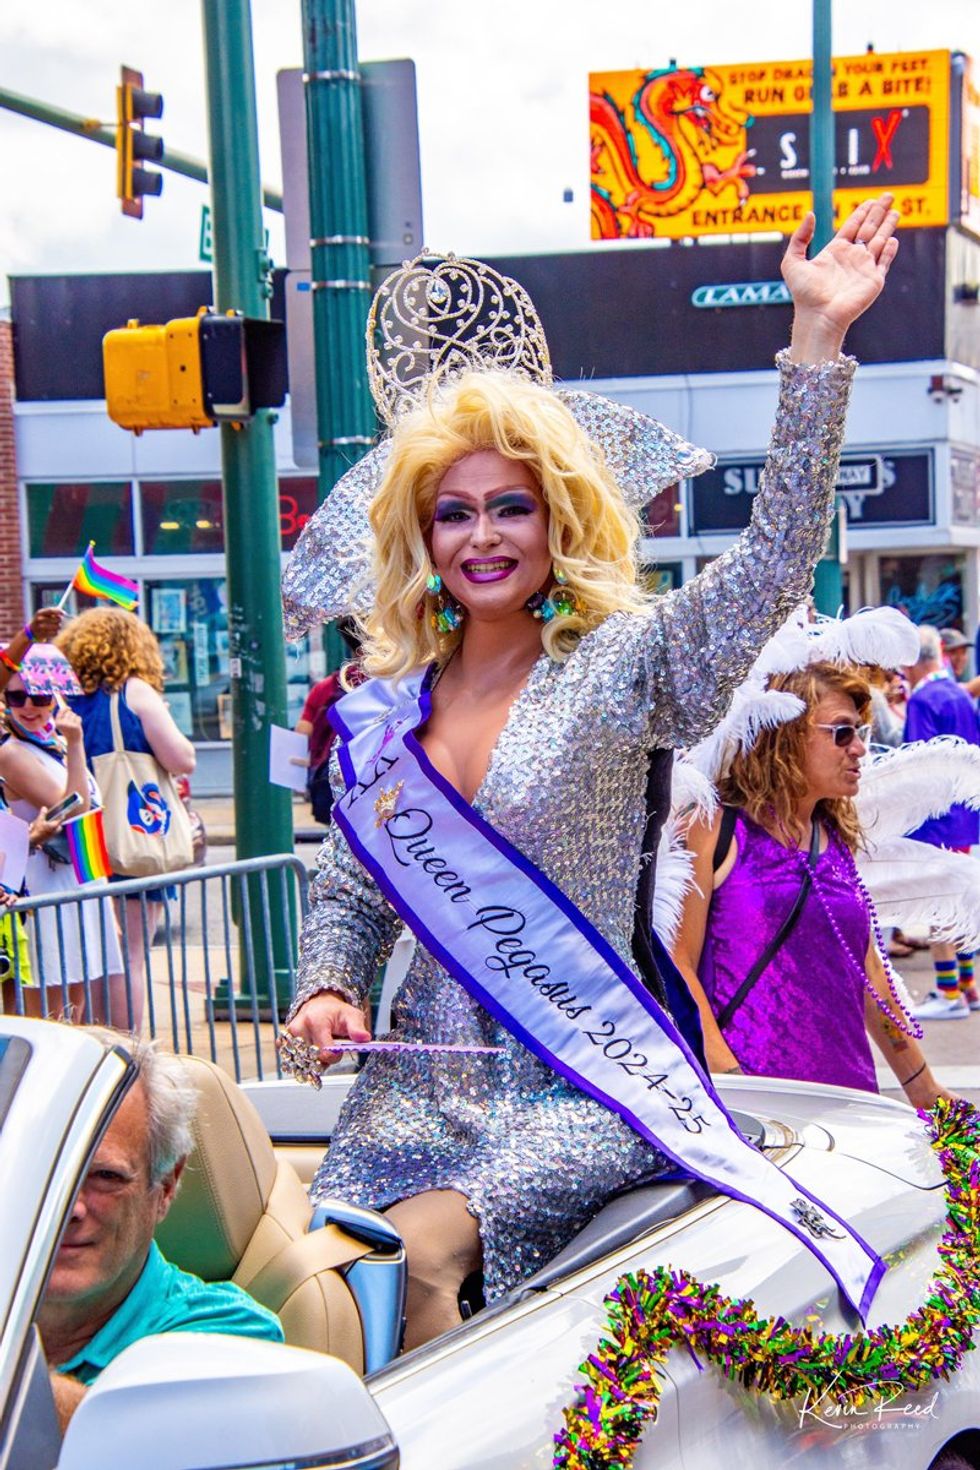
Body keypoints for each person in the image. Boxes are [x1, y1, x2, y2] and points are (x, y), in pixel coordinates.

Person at [281, 198, 900, 1350]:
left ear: (556, 516)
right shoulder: (385, 713)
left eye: (508, 506)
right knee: (314, 1285)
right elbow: (353, 887)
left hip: (584, 1082)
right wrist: (330, 987)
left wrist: (814, 345)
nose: (481, 537)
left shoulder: (625, 667)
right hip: (419, 1085)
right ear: (420, 539)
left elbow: (771, 564)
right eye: (451, 513)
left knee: (405, 1265)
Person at [670, 659, 946, 1111]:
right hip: (756, 1104)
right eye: (841, 733)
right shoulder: (712, 826)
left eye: (860, 734)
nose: (858, 749)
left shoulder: (832, 837)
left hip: (849, 1094)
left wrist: (925, 1091)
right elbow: (677, 963)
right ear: (786, 735)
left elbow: (868, 975)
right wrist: (730, 1083)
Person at [39, 1028, 283, 1430]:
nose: (71, 1207)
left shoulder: (232, 1333)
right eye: (46, 1173)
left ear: (166, 1186)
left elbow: (156, 1441)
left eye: (105, 1177)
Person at [57, 609, 196, 1029]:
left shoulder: (62, 699)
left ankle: (90, 1042)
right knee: (131, 954)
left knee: (94, 953)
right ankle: (125, 1046)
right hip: (133, 837)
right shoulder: (133, 692)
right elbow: (182, 758)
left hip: (81, 838)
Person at [0, 652, 124, 1019]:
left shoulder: (50, 743)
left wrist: (102, 890)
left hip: (77, 882)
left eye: (39, 697)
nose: (28, 707)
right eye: (16, 697)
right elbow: (74, 809)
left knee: (75, 1005)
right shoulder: (12, 754)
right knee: (53, 1012)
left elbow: (87, 818)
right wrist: (76, 744)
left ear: (56, 696)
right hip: (43, 890)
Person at [902, 626, 980, 1020]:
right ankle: (966, 987)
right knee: (963, 903)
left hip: (939, 818)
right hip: (967, 814)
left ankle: (949, 991)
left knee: (941, 907)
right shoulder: (959, 694)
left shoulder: (924, 699)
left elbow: (919, 763)